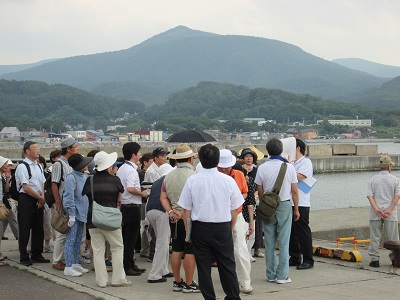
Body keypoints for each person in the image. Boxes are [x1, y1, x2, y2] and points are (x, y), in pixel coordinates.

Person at [178, 144, 243, 300]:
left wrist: (189, 232)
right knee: (227, 264)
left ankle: (209, 297)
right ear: (218, 160)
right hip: (222, 226)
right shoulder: (228, 180)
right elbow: (235, 209)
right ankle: (233, 296)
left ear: (199, 158)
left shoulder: (192, 180)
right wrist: (230, 227)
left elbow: (186, 211)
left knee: (204, 266)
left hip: (200, 227)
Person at [82, 151, 131, 287]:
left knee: (98, 251)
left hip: (93, 219)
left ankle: (101, 281)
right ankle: (118, 279)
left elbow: (86, 196)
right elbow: (119, 199)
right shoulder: (115, 180)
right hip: (111, 219)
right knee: (117, 248)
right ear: (109, 166)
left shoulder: (89, 180)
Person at [255, 138, 300, 284]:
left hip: (268, 206)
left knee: (269, 241)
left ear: (267, 151)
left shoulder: (262, 168)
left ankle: (270, 274)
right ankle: (282, 276)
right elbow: (294, 191)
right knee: (284, 241)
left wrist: (266, 204)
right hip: (285, 205)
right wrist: (297, 209)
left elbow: (260, 191)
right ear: (281, 150)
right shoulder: (289, 167)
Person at [160, 143, 200, 293]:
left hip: (174, 217)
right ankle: (189, 283)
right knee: (190, 251)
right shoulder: (194, 176)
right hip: (189, 218)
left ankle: (177, 281)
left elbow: (163, 197)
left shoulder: (168, 176)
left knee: (176, 249)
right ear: (190, 159)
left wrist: (171, 212)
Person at [217, 149, 253, 294]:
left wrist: (236, 198)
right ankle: (231, 280)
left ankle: (245, 281)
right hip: (219, 216)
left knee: (240, 249)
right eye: (223, 166)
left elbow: (245, 192)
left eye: (228, 166)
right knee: (224, 251)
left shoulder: (238, 174)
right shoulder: (215, 176)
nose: (225, 169)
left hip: (237, 215)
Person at [16, 141, 49, 266]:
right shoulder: (23, 166)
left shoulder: (38, 166)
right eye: (34, 148)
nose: (37, 150)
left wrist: (42, 197)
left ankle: (37, 254)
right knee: (25, 228)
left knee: (38, 228)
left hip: (38, 198)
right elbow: (26, 187)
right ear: (27, 151)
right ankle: (24, 256)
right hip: (26, 199)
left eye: (38, 148)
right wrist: (39, 198)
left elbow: (42, 183)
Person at [116, 142, 147, 276]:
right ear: (134, 154)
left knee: (127, 237)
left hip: (124, 206)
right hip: (131, 206)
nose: (140, 155)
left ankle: (129, 263)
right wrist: (142, 193)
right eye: (139, 152)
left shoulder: (123, 168)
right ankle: (127, 265)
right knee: (130, 239)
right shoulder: (131, 170)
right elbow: (130, 188)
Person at [367, 155, 400, 268]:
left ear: (380, 166)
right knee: (393, 237)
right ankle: (394, 259)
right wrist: (389, 210)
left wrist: (377, 209)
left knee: (375, 236)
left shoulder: (372, 179)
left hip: (375, 213)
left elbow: (370, 196)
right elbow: (397, 197)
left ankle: (375, 259)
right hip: (390, 213)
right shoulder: (395, 180)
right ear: (389, 166)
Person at [63, 154, 92, 277]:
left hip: (82, 213)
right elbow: (68, 197)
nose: (86, 165)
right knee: (70, 240)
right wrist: (71, 214)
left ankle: (75, 263)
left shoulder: (84, 176)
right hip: (74, 214)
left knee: (77, 240)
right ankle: (68, 266)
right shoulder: (71, 178)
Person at [51, 137, 78, 270]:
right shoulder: (59, 164)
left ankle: (64, 258)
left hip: (71, 201)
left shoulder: (70, 163)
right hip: (64, 201)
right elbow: (54, 183)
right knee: (62, 231)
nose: (77, 149)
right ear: (68, 149)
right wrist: (57, 201)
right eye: (75, 146)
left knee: (69, 232)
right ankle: (56, 260)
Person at [146, 163, 174, 283]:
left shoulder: (157, 181)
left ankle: (164, 269)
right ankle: (155, 274)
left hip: (150, 211)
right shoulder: (169, 179)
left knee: (162, 241)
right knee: (163, 242)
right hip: (162, 211)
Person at [289, 139, 314, 270]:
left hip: (302, 201)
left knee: (303, 231)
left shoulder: (305, 162)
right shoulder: (292, 163)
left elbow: (300, 177)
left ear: (298, 149)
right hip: (289, 200)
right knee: (291, 232)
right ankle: (294, 257)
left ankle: (308, 259)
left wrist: (288, 167)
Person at [240, 148, 264, 259]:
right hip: (246, 202)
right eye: (246, 156)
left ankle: (257, 248)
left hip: (256, 200)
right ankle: (247, 252)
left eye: (251, 156)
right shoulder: (239, 170)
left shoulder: (257, 170)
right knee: (248, 227)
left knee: (257, 225)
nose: (249, 158)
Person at [2, 159, 18, 241]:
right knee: (11, 216)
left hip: (7, 199)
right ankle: (17, 234)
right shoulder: (4, 176)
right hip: (5, 200)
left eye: (11, 166)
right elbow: (6, 190)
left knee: (5, 218)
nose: (10, 167)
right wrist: (8, 178)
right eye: (8, 165)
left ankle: (1, 233)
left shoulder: (11, 175)